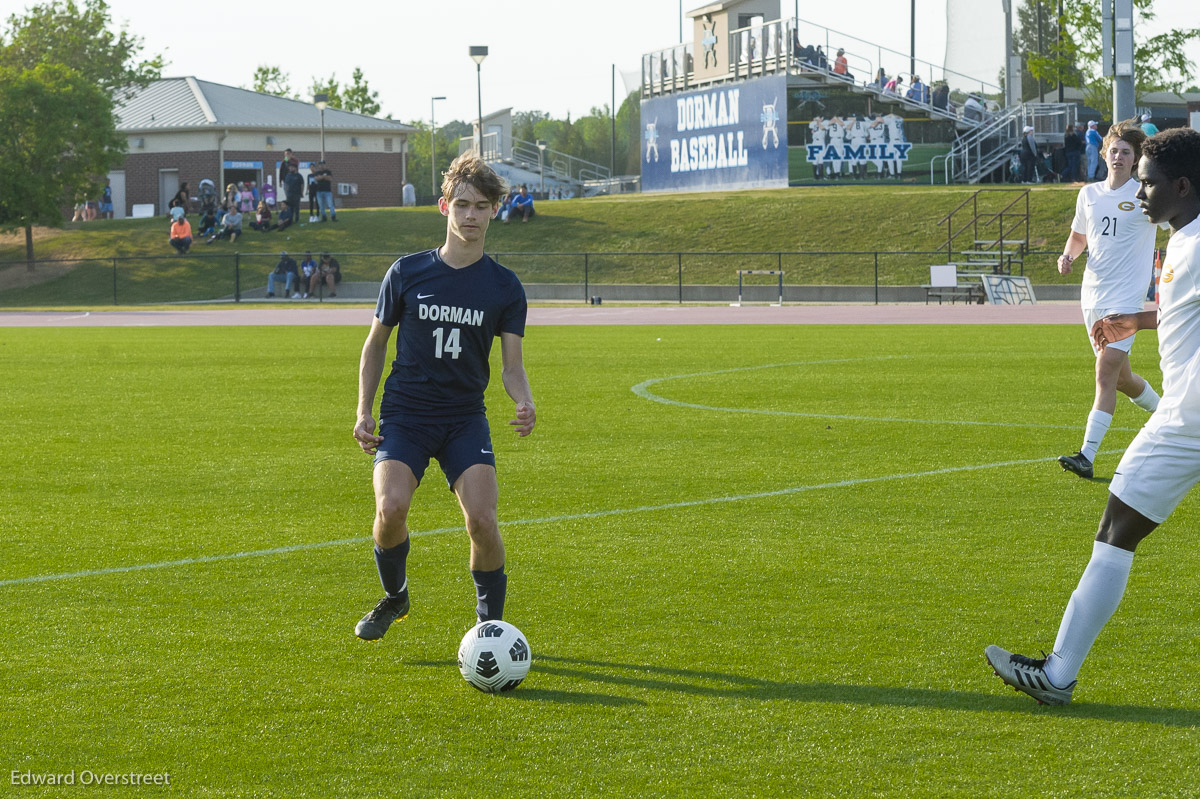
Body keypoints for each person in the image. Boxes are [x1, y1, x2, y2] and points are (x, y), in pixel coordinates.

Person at [986, 127, 1200, 706]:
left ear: (1181, 186)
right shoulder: (1183, 236)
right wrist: (1136, 320)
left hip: (1189, 418)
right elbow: (1183, 309)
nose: (1142, 193)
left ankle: (1057, 675)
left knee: (1115, 532)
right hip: (1186, 410)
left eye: (1150, 184)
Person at [351, 152, 535, 641]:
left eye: (480, 206)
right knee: (390, 509)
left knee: (482, 519)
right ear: (443, 207)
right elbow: (374, 345)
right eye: (461, 205)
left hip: (462, 418)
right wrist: (363, 410)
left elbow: (512, 367)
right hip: (406, 415)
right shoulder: (407, 273)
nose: (470, 215)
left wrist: (524, 399)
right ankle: (395, 597)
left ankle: (488, 624)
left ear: (494, 211)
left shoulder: (504, 287)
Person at [1054, 120, 1163, 480]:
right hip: (1092, 294)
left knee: (1105, 372)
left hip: (1126, 299)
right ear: (1105, 153)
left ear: (1135, 159)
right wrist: (1067, 256)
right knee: (1121, 379)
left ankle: (1086, 455)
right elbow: (1078, 237)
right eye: (1114, 150)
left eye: (1126, 152)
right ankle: (1168, 418)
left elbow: (1179, 222)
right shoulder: (1089, 194)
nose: (1118, 156)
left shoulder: (1145, 194)